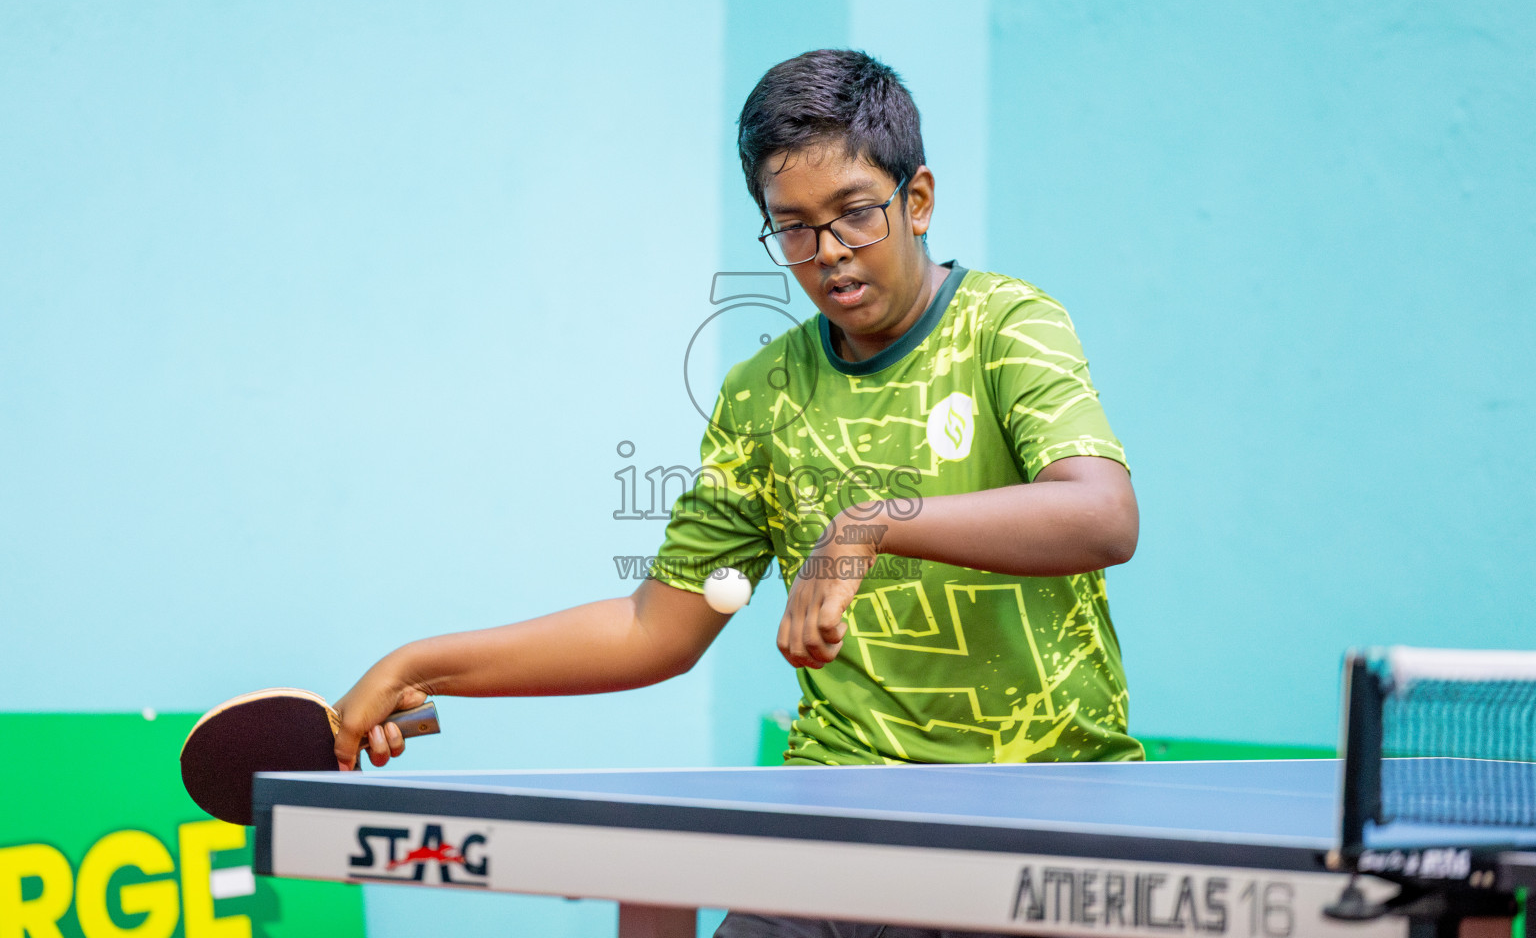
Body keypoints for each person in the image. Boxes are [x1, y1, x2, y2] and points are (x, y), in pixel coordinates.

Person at [334, 49, 1142, 937]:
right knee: (652, 880)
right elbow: (656, 629)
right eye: (793, 227)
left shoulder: (1008, 325)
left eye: (856, 215)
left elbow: (1101, 515)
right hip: (838, 815)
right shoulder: (764, 393)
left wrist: (873, 524)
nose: (829, 252)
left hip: (1041, 814)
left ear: (916, 201)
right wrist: (422, 664)